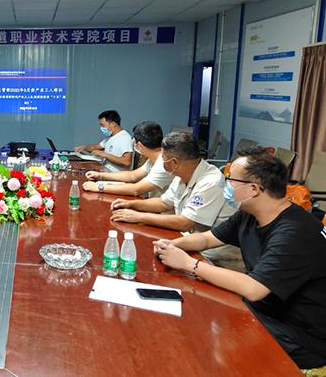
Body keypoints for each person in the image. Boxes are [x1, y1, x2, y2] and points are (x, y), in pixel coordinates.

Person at [153, 149, 326, 373]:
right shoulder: (250, 213)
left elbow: (254, 289)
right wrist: (173, 245)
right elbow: (208, 239)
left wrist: (189, 264)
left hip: (299, 335)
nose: (226, 185)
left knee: (206, 342)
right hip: (264, 310)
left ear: (253, 189)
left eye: (230, 180)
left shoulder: (294, 232)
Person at [110, 132, 241, 270]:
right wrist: (131, 204)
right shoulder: (181, 175)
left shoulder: (210, 182)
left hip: (216, 259)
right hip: (190, 244)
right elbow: (164, 203)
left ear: (174, 163)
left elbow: (185, 223)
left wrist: (139, 216)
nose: (161, 163)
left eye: (163, 159)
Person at [82, 121, 173, 197]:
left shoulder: (163, 164)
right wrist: (100, 176)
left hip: (163, 211)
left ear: (139, 145)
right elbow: (132, 176)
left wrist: (98, 187)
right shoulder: (154, 158)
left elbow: (136, 190)